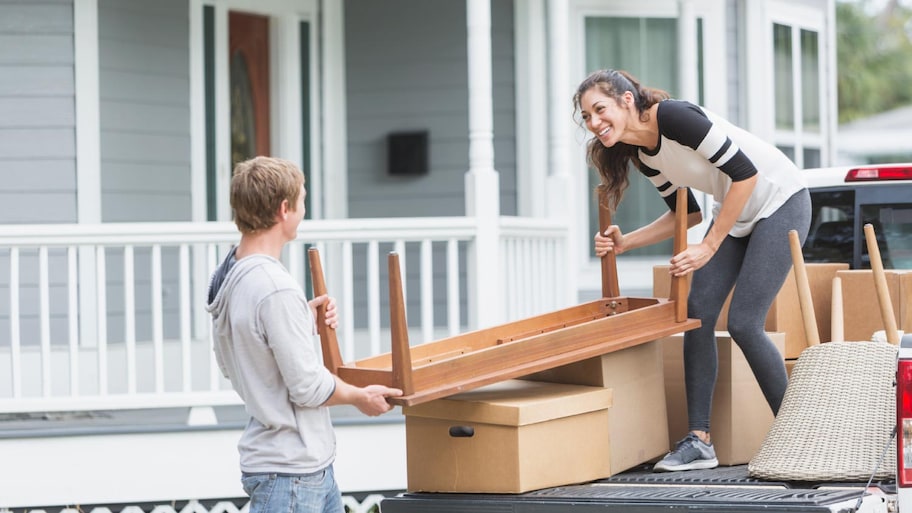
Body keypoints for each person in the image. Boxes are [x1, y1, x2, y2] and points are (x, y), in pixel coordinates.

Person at [574, 69, 810, 472]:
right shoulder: (646, 156)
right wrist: (625, 241)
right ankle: (699, 440)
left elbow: (745, 174)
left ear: (627, 100)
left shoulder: (676, 118)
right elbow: (687, 214)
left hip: (781, 201)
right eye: (587, 117)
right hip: (736, 218)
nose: (595, 123)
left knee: (744, 323)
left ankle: (798, 437)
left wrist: (709, 244)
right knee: (696, 313)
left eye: (600, 110)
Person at [206, 156, 403, 512]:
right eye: (302, 201)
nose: (303, 210)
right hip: (292, 474)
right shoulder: (274, 287)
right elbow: (308, 387)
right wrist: (360, 396)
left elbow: (243, 351)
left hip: (292, 467)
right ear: (284, 209)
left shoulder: (232, 276)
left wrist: (299, 321)